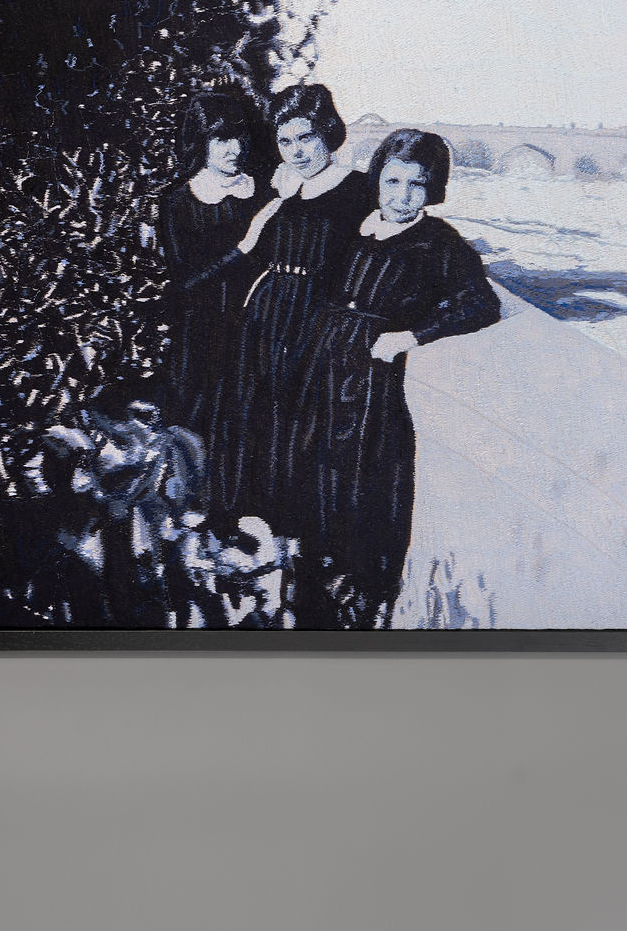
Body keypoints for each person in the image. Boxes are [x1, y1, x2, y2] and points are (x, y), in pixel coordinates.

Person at [287, 129, 501, 628]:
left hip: (372, 379)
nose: (402, 195)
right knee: (315, 468)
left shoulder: (438, 243)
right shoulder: (358, 227)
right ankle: (315, 577)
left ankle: (362, 591)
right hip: (324, 365)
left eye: (416, 184)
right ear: (378, 179)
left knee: (365, 478)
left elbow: (481, 304)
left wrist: (412, 336)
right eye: (393, 181)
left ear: (433, 188)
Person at [209, 83, 372, 539]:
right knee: (252, 410)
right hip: (267, 312)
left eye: (306, 137)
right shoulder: (280, 188)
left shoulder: (358, 189)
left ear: (328, 132)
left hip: (317, 318)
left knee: (300, 420)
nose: (296, 151)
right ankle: (241, 517)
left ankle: (289, 529)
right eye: (285, 141)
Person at [159, 93, 266, 470]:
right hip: (202, 334)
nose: (234, 149)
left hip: (256, 330)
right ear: (201, 141)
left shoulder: (263, 192)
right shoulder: (178, 201)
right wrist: (243, 249)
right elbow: (183, 283)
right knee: (196, 436)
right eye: (221, 139)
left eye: (239, 136)